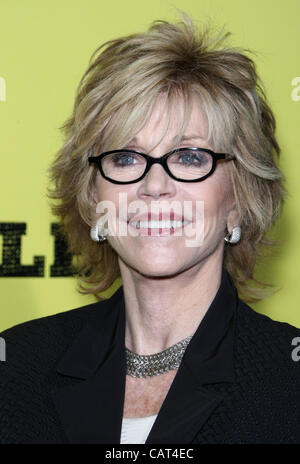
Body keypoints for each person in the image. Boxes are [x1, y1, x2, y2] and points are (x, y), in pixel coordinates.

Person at [1, 12, 300, 445]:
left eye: (190, 157)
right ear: (91, 196)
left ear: (239, 199)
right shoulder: (17, 367)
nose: (154, 185)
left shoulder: (287, 381)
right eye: (125, 158)